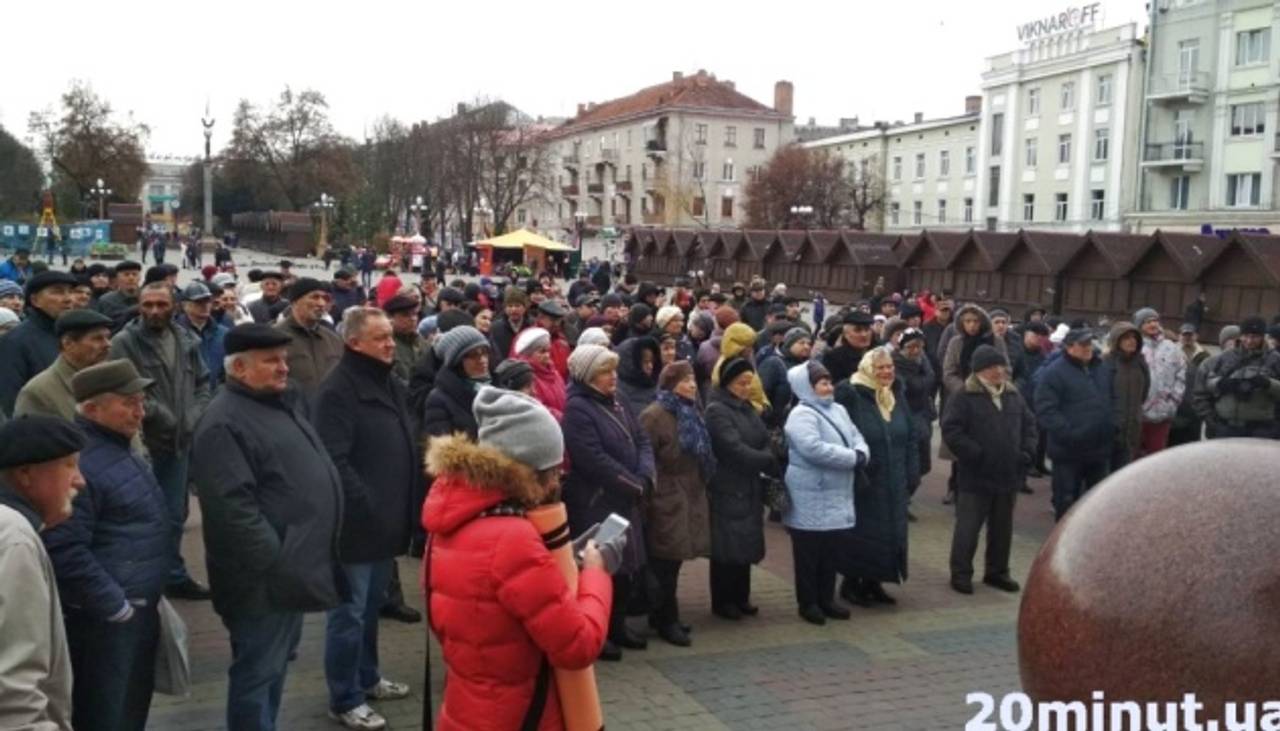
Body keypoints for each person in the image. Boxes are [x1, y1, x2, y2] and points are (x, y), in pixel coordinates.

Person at [425, 386, 614, 729]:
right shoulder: (513, 538)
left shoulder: (450, 520)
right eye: (554, 470)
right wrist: (596, 575)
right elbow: (577, 645)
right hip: (520, 713)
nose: (558, 480)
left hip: (465, 706)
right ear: (530, 471)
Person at [191, 324, 345, 731]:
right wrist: (277, 556)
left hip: (289, 571)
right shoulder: (224, 422)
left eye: (283, 359)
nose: (283, 368)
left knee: (274, 669)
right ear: (239, 368)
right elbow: (232, 510)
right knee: (257, 673)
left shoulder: (278, 403)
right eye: (271, 361)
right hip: (263, 580)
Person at [43, 360, 167, 731]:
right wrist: (114, 605)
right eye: (128, 402)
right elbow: (64, 547)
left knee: (130, 707)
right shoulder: (80, 463)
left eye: (142, 400)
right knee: (105, 713)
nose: (140, 411)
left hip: (135, 609)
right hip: (107, 620)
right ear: (92, 409)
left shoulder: (120, 448)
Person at [313, 309, 417, 730]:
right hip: (356, 525)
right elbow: (334, 458)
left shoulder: (388, 381)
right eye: (380, 338)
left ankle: (368, 677)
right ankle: (344, 697)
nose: (390, 344)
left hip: (386, 522)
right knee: (348, 613)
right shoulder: (337, 391)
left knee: (371, 607)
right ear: (354, 343)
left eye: (391, 336)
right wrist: (367, 504)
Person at [109, 282, 212, 600]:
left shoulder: (186, 340)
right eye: (147, 305)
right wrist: (162, 414)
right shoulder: (125, 342)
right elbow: (123, 387)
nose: (154, 311)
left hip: (180, 443)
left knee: (174, 514)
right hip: (144, 443)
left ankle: (173, 574)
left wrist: (194, 415)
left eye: (161, 305)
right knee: (142, 517)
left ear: (175, 307)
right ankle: (146, 579)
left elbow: (203, 382)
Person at [562, 344, 654, 660]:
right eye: (604, 371)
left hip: (626, 497)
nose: (612, 376)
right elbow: (592, 459)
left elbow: (641, 438)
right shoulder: (577, 408)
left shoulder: (618, 399)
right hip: (598, 500)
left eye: (613, 370)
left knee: (626, 567)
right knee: (601, 569)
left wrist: (643, 475)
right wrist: (632, 484)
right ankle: (597, 632)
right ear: (588, 376)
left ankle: (617, 626)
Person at [0, 415, 86, 731]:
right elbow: (13, 689)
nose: (80, 480)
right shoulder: (14, 538)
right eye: (69, 466)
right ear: (25, 474)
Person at [941, 346, 1036, 595]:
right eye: (992, 367)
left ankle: (997, 572)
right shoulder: (964, 395)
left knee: (1002, 528)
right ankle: (961, 574)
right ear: (979, 370)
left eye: (1000, 366)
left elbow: (1029, 424)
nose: (998, 371)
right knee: (968, 528)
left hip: (1008, 473)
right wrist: (976, 454)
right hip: (976, 474)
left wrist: (1026, 453)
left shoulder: (1013, 394)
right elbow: (952, 431)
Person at [782, 361, 868, 625]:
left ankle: (827, 598)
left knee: (831, 549)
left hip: (836, 491)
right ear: (806, 387)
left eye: (829, 382)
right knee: (809, 553)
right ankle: (808, 602)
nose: (828, 387)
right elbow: (813, 449)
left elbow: (857, 437)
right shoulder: (801, 414)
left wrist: (861, 452)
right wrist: (853, 458)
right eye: (822, 383)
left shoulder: (839, 409)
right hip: (810, 492)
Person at [637, 362, 712, 646]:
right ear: (670, 384)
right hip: (667, 494)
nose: (692, 385)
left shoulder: (691, 410)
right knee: (664, 561)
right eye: (685, 380)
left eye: (693, 379)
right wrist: (653, 495)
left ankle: (664, 615)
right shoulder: (655, 415)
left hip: (690, 490)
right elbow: (645, 458)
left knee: (675, 560)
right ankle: (666, 619)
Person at [836, 347, 918, 606]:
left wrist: (912, 470)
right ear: (868, 369)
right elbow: (843, 435)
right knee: (862, 532)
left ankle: (875, 581)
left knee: (889, 532)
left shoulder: (895, 395)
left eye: (890, 367)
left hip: (895, 477)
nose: (886, 372)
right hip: (866, 478)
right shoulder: (851, 395)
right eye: (880, 367)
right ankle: (852, 583)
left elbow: (910, 435)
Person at [704, 356, 779, 620]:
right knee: (726, 546)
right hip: (727, 485)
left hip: (749, 484)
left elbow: (764, 437)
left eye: (749, 382)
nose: (746, 388)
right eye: (740, 383)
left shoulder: (745, 407)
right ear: (727, 383)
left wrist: (765, 454)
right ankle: (723, 600)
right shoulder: (716, 410)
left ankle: (741, 596)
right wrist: (765, 458)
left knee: (745, 542)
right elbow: (732, 447)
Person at [1035, 328, 1115, 521]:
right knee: (1067, 501)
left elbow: (1113, 398)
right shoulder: (1054, 373)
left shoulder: (1101, 368)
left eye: (1090, 343)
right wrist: (1070, 434)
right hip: (1068, 451)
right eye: (1083, 344)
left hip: (1099, 448)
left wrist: (1113, 425)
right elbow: (1046, 410)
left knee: (1096, 501)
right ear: (1069, 347)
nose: (1088, 348)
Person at [0, 271, 78, 416]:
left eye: (71, 292)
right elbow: (11, 402)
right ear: (35, 300)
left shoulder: (75, 336)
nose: (68, 299)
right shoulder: (15, 342)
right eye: (58, 292)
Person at [14, 310, 114, 420]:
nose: (108, 344)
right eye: (97, 339)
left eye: (108, 338)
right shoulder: (38, 393)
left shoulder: (113, 379)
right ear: (68, 344)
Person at [1199, 316, 1280, 439]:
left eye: (1254, 337)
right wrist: (1222, 383)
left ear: (1263, 337)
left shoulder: (1274, 359)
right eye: (1245, 336)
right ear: (1240, 335)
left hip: (1261, 429)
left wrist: (1268, 384)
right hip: (1226, 427)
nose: (1249, 341)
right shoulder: (1225, 357)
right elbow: (1207, 384)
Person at [891, 328, 936, 506]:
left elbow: (931, 378)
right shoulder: (895, 365)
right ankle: (900, 501)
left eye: (919, 346)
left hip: (923, 416)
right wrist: (925, 380)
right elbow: (914, 385)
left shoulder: (923, 362)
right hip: (906, 417)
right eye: (910, 347)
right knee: (909, 466)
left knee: (924, 465)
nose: (915, 351)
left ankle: (904, 497)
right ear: (902, 347)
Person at [1133, 308, 1185, 457]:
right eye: (1148, 322)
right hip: (1138, 414)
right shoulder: (1134, 347)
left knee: (1156, 457)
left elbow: (1180, 375)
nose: (1153, 324)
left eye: (1155, 320)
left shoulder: (1171, 347)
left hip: (1163, 413)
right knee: (1133, 458)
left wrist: (1173, 402)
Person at [276, 278, 343, 395]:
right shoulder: (275, 337)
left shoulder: (334, 339)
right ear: (295, 301)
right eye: (315, 297)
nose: (322, 303)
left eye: (325, 298)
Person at [1102, 322, 1149, 471]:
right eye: (1126, 337)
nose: (1132, 341)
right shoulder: (1105, 363)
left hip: (1131, 430)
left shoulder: (1140, 363)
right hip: (1108, 431)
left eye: (1135, 337)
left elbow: (1144, 392)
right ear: (1117, 340)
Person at [176, 282, 230, 388]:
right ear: (184, 305)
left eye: (207, 301)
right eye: (198, 302)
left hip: (215, 397)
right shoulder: (174, 333)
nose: (205, 305)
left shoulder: (224, 334)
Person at [758, 327, 813, 421]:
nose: (806, 346)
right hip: (777, 423)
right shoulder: (773, 363)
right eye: (801, 343)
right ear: (789, 344)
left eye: (809, 344)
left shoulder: (809, 365)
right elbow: (762, 394)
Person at [1169, 323, 1211, 446]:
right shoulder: (1171, 352)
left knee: (1192, 442)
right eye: (1184, 334)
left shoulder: (1205, 355)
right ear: (1179, 336)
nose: (1187, 337)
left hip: (1194, 404)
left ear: (1196, 336)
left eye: (1190, 335)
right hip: (1176, 403)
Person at [513, 327, 567, 420]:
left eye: (548, 351)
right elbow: (536, 407)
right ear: (528, 354)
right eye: (542, 351)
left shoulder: (554, 372)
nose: (547, 355)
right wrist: (564, 419)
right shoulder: (526, 378)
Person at [822, 310, 876, 384]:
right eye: (858, 330)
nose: (864, 334)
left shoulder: (877, 353)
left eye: (867, 330)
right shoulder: (834, 357)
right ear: (846, 334)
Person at [615, 336, 661, 419]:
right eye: (645, 362)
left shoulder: (657, 387)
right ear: (631, 363)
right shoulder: (618, 393)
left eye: (652, 361)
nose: (650, 366)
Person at [384, 294, 425, 386]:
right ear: (390, 318)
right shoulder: (385, 345)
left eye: (415, 314)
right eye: (405, 315)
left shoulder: (422, 342)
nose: (413, 319)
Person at [490, 285, 531, 365]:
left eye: (517, 306)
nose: (513, 309)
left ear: (525, 308)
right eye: (510, 306)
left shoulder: (532, 327)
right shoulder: (495, 328)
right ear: (505, 308)